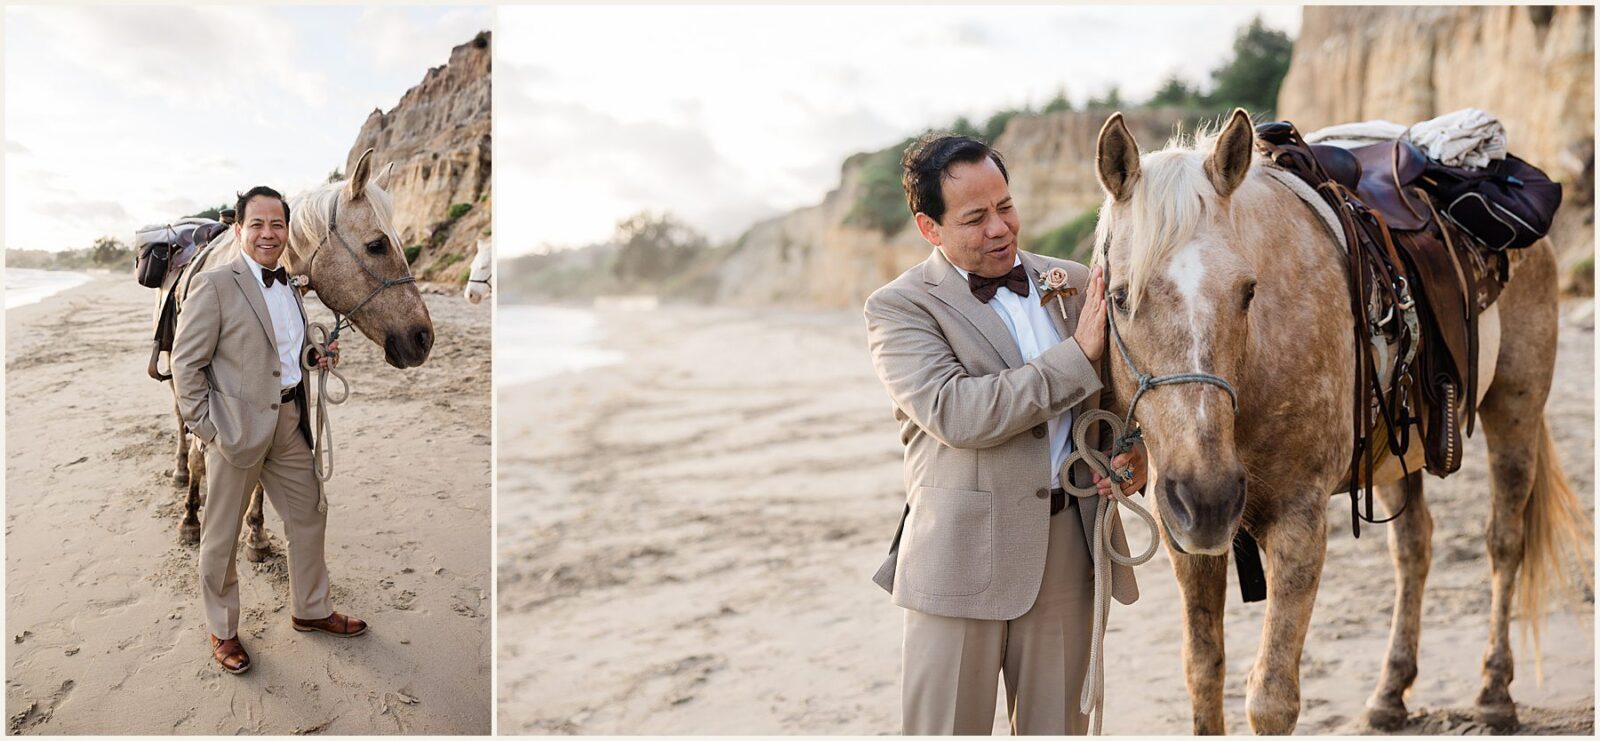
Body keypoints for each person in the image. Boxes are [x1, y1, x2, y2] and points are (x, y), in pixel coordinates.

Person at [863, 134, 1148, 734]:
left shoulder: (1075, 282)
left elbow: (1127, 396)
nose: (1000, 228)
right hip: (958, 559)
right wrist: (1076, 356)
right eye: (975, 217)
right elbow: (957, 413)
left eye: (1006, 207)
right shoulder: (899, 308)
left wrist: (1133, 450)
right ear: (929, 227)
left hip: (1071, 547)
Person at [171, 185, 361, 675]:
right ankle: (223, 629)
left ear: (287, 231)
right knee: (221, 535)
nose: (268, 233)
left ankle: (311, 609)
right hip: (235, 431)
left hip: (289, 422)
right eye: (256, 224)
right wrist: (209, 429)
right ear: (239, 230)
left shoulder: (291, 286)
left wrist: (314, 357)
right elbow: (185, 366)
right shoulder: (214, 286)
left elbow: (280, 353)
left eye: (277, 224)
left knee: (310, 514)